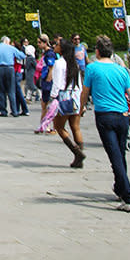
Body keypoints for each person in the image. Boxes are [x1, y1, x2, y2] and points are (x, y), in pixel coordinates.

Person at [79, 35, 130, 212]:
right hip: (123, 115)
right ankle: (119, 188)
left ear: (97, 51)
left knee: (114, 156)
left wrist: (81, 108)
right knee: (120, 152)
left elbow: (85, 92)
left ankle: (128, 197)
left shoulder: (92, 68)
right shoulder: (121, 70)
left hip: (105, 116)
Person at [49, 36, 85, 168]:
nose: (54, 46)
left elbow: (57, 84)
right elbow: (80, 84)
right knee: (75, 127)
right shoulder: (73, 63)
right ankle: (79, 155)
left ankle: (76, 152)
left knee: (59, 127)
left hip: (64, 96)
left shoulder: (59, 63)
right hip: (75, 95)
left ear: (62, 49)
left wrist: (53, 99)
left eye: (57, 44)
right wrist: (82, 102)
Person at [0, 35, 19, 116]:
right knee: (11, 90)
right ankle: (14, 111)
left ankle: (3, 111)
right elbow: (20, 55)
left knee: (1, 91)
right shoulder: (11, 48)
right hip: (9, 68)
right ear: (6, 41)